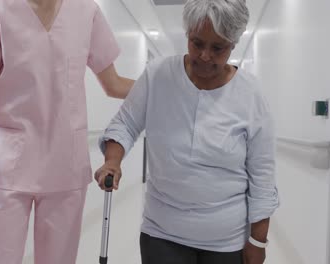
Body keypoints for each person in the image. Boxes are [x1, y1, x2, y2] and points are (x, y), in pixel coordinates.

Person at [94, 0, 279, 263]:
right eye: (196, 43)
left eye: (218, 48)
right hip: (162, 233)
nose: (205, 55)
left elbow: (262, 175)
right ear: (187, 35)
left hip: (226, 241)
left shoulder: (250, 94)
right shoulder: (158, 75)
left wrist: (257, 241)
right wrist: (112, 162)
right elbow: (125, 123)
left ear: (234, 44)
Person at [0, 0, 134, 263]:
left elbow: (113, 84)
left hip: (65, 165)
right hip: (9, 165)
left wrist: (164, 85)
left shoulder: (86, 11)